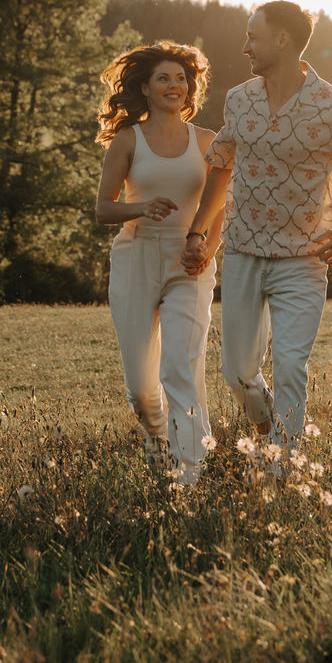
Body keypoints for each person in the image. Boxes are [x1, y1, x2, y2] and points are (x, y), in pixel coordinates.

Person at [182, 1, 332, 445]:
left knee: (291, 364)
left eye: (252, 36)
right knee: (238, 374)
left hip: (304, 257)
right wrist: (198, 231)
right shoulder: (240, 99)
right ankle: (268, 424)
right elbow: (221, 166)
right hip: (243, 250)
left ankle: (282, 465)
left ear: (282, 41)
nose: (244, 46)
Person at [96, 41, 222, 484]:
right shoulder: (128, 141)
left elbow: (220, 204)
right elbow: (102, 209)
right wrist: (141, 207)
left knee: (180, 366)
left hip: (189, 264)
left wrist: (205, 247)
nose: (175, 85)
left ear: (191, 89)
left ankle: (190, 473)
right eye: (164, 78)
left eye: (181, 78)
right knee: (141, 390)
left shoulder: (206, 142)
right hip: (137, 260)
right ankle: (158, 440)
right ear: (145, 88)